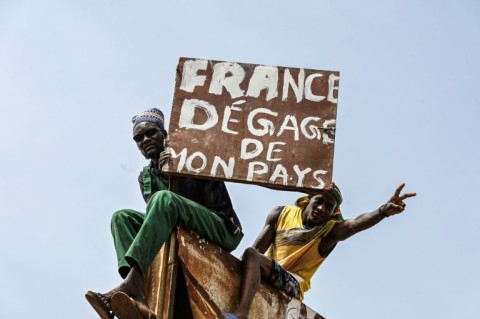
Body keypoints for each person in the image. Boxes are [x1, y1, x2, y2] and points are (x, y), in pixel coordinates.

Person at [85, 108, 244, 319]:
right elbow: (161, 216)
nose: (145, 140)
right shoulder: (146, 177)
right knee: (121, 218)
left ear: (164, 135)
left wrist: (177, 171)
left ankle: (130, 283)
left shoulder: (192, 156)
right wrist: (167, 178)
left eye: (151, 133)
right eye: (139, 138)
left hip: (220, 227)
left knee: (163, 199)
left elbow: (201, 201)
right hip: (178, 227)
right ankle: (137, 290)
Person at [223, 183, 416, 319]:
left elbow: (355, 224)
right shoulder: (280, 213)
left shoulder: (330, 230)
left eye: (329, 207)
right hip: (267, 270)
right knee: (250, 254)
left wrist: (382, 211)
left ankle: (240, 315)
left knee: (252, 257)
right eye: (319, 202)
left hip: (292, 284)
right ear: (308, 199)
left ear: (333, 213)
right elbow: (256, 251)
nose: (322, 209)